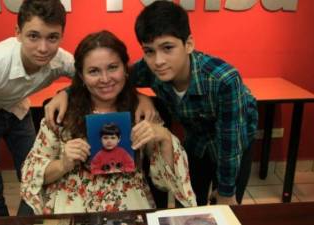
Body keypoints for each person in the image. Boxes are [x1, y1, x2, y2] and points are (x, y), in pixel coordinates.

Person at [46, 1, 258, 206]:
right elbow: (112, 79)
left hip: (234, 146)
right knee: (192, 202)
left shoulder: (223, 80)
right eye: (149, 51)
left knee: (226, 206)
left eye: (168, 48)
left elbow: (230, 147)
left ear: (189, 44)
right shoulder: (150, 70)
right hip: (195, 143)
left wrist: (225, 191)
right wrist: (65, 92)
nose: (158, 61)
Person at [20, 30, 196, 215]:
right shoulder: (61, 113)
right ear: (81, 76)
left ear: (125, 69)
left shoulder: (142, 112)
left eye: (113, 67)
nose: (105, 79)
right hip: (72, 200)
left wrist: (164, 137)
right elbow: (31, 174)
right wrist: (63, 164)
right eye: (94, 71)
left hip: (129, 200)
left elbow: (163, 180)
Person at [0, 0, 74, 217]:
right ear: (18, 33)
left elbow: (88, 77)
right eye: (33, 36)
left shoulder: (60, 60)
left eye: (52, 37)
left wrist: (65, 93)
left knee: (35, 177)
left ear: (61, 36)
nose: (43, 48)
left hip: (16, 109)